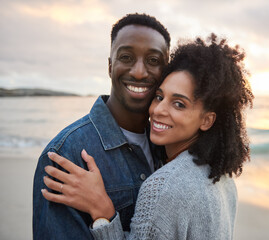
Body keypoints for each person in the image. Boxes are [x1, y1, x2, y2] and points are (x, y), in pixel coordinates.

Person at [42, 34, 254, 239]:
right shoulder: (222, 178)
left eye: (179, 104)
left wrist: (103, 212)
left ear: (207, 120)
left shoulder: (163, 187)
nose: (158, 110)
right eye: (159, 96)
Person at [33, 13, 170, 239]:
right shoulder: (66, 155)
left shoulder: (170, 146)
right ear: (109, 66)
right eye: (126, 57)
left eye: (153, 61)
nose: (138, 71)